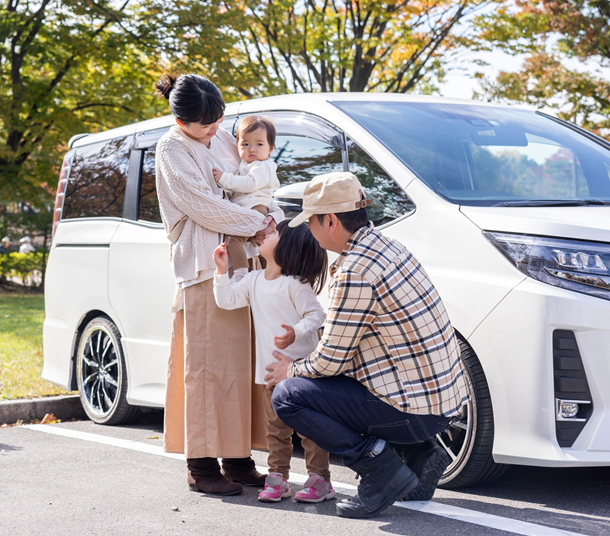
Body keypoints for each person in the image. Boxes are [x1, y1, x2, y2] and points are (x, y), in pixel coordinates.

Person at [264, 172, 470, 519]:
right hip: (442, 408)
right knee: (327, 381)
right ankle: (419, 454)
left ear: (329, 221)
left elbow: (330, 361)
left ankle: (381, 467)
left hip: (413, 414)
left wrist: (290, 369)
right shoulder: (389, 247)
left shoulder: (355, 270)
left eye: (310, 222)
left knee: (288, 395)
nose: (309, 232)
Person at [154, 73, 285, 496]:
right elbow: (201, 205)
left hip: (244, 260)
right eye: (204, 124)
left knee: (241, 364)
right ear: (181, 119)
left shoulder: (226, 137)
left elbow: (257, 182)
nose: (214, 130)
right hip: (205, 265)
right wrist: (258, 223)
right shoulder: (171, 147)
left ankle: (238, 458)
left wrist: (270, 220)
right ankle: (201, 464)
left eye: (218, 120)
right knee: (208, 367)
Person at [212, 220, 336, 505]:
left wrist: (296, 332)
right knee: (276, 430)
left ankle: (320, 478)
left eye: (274, 232)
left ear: (289, 246)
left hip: (303, 372)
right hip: (270, 372)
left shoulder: (295, 285)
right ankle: (277, 478)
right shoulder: (254, 280)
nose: (266, 233)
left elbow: (317, 316)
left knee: (310, 429)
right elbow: (227, 300)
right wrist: (221, 271)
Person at [211, 115, 280, 281]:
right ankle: (268, 273)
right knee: (256, 244)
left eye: (259, 144)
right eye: (245, 144)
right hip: (250, 207)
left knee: (234, 239)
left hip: (255, 208)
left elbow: (249, 184)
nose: (252, 149)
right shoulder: (247, 164)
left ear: (271, 148)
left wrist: (223, 179)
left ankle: (240, 273)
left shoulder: (263, 166)